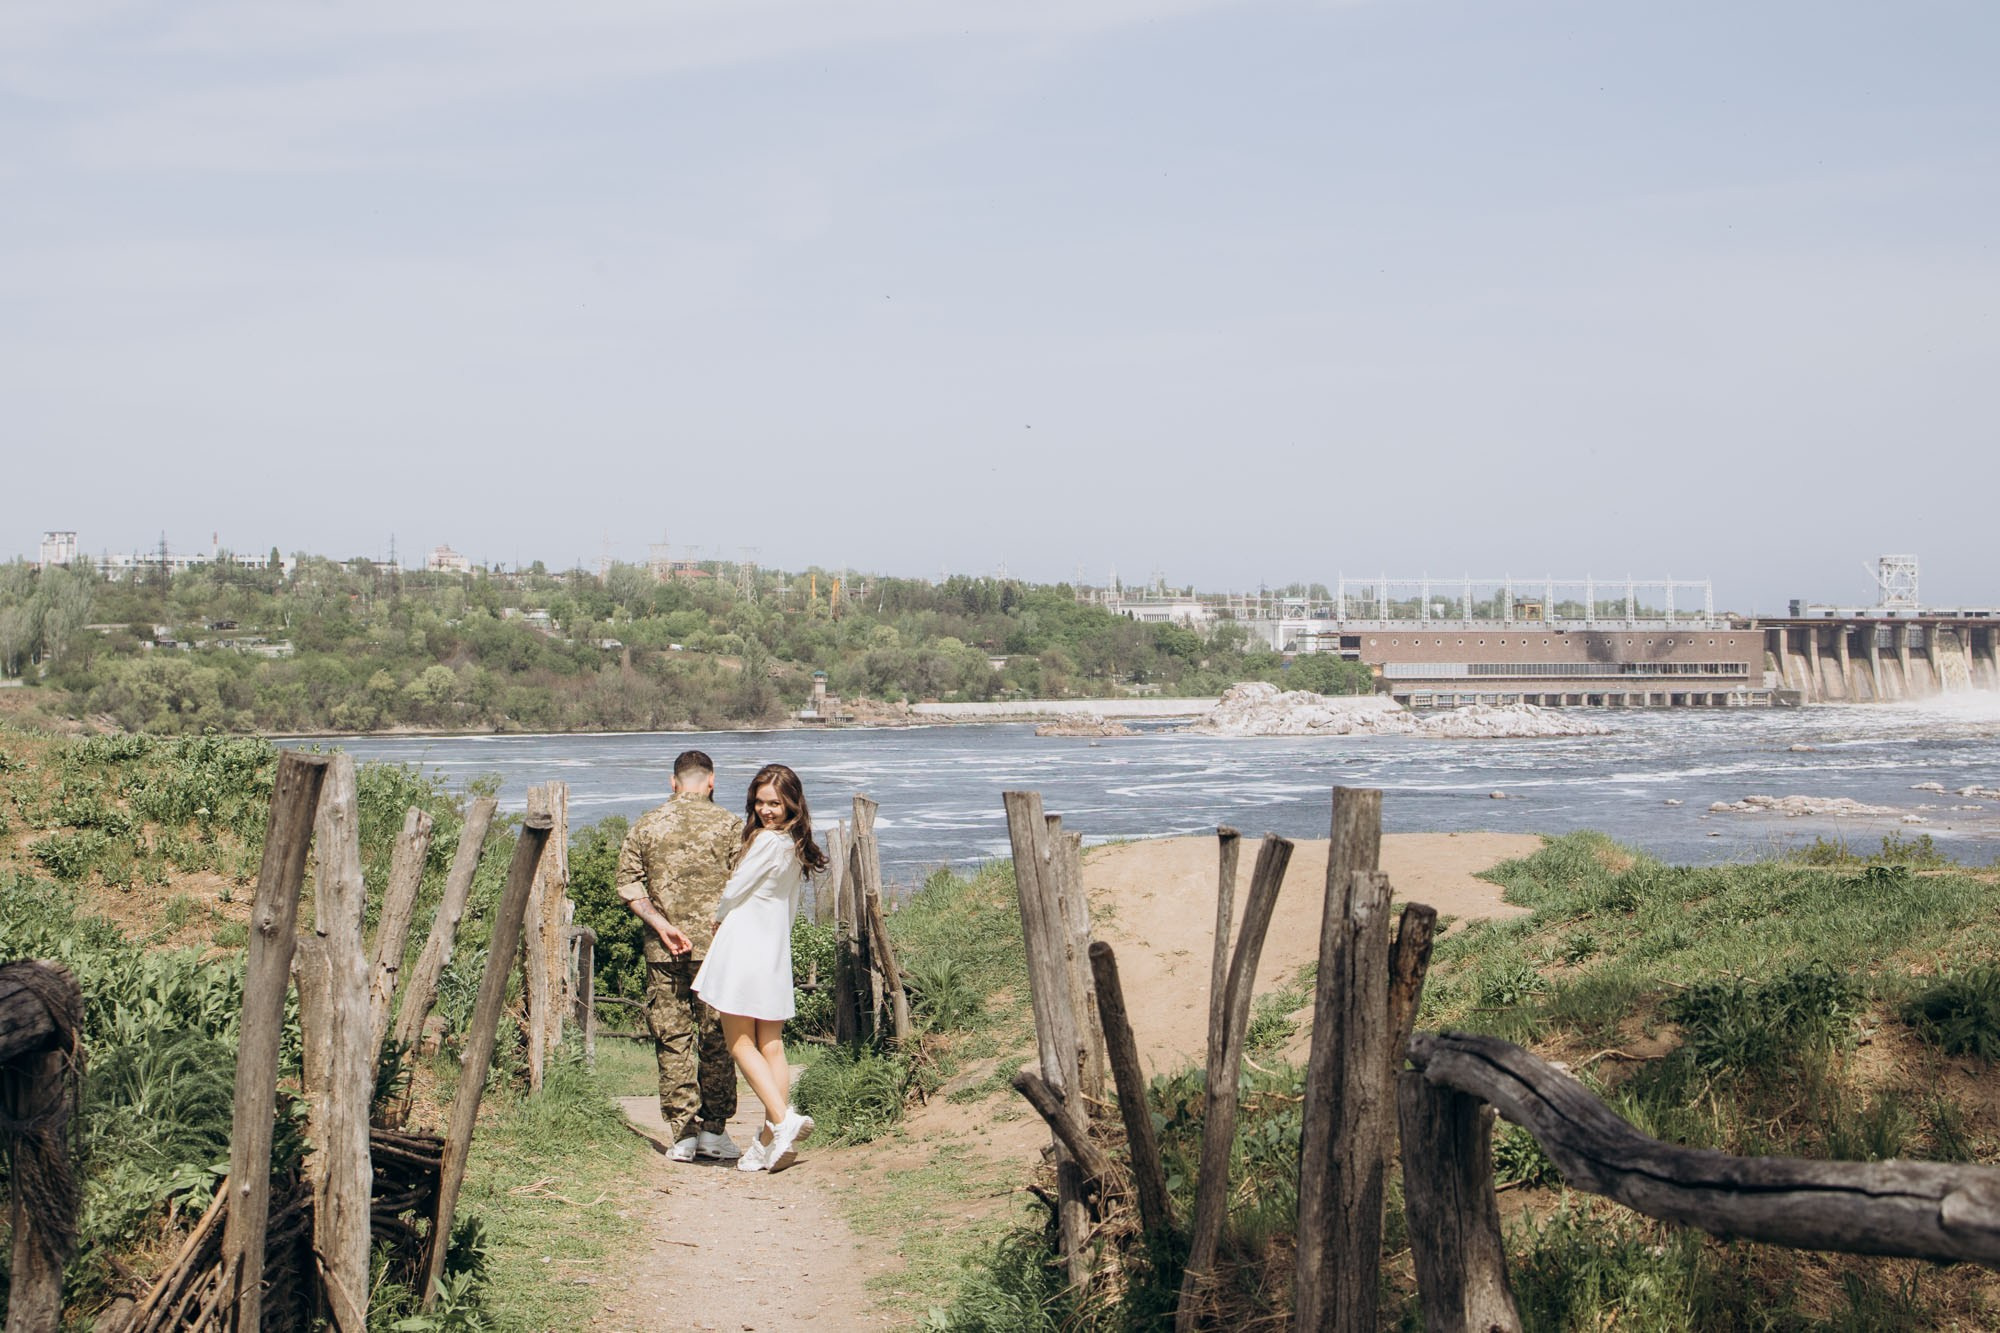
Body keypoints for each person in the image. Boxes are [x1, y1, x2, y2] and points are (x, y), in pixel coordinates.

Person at [693, 762, 828, 1172]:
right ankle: (768, 1140)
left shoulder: (768, 842)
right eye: (760, 801)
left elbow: (735, 888)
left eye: (775, 802)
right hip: (771, 944)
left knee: (739, 1042)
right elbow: (788, 905)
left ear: (792, 803)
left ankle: (783, 1121)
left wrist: (717, 916)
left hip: (745, 938)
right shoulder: (794, 843)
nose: (766, 809)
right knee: (771, 1044)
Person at [614, 749, 745, 1163]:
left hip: (663, 949)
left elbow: (629, 886)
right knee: (718, 1038)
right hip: (717, 950)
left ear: (673, 782)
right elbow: (744, 886)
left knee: (673, 1039)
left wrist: (662, 925)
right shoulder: (730, 826)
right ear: (711, 780)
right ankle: (715, 1129)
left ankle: (683, 1133)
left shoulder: (646, 825)